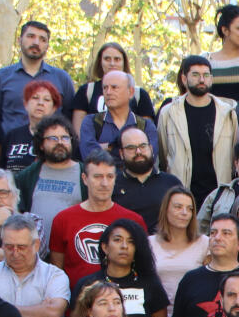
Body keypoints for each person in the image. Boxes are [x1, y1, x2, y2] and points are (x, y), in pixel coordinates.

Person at [49, 152, 146, 290]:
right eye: (98, 176)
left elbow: (143, 267)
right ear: (84, 179)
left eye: (109, 177)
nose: (104, 183)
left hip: (123, 298)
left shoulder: (133, 221)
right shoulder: (63, 220)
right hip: (77, 299)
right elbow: (57, 272)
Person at [158, 55, 239, 207]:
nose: (202, 80)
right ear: (184, 79)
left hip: (219, 195)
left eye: (206, 75)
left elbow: (234, 154)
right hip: (181, 194)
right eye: (195, 75)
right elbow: (163, 155)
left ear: (211, 78)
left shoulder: (227, 113)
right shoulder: (168, 113)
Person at [0, 21, 76, 133]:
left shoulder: (62, 78)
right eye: (31, 36)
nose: (36, 42)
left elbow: (70, 119)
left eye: (42, 39)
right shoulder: (1, 77)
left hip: (50, 142)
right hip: (11, 143)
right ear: (19, 40)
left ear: (47, 46)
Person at [13, 113, 80, 248]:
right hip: (36, 253)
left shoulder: (85, 174)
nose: (60, 142)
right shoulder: (28, 175)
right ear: (41, 144)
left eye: (65, 137)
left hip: (72, 250)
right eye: (53, 138)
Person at [69, 42, 155, 135]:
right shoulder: (86, 91)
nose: (112, 63)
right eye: (107, 59)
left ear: (124, 62)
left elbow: (148, 134)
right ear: (100, 62)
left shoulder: (139, 95)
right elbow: (78, 133)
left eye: (117, 59)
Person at [112, 126, 182, 233]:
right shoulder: (112, 185)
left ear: (151, 148)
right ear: (121, 154)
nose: (138, 152)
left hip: (164, 242)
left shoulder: (171, 183)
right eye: (131, 148)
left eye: (143, 146)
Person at [78, 70, 159, 160]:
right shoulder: (91, 122)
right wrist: (124, 149)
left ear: (131, 92)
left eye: (114, 87)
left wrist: (107, 147)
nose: (108, 92)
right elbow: (89, 157)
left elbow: (148, 158)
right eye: (105, 88)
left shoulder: (146, 126)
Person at [149, 186, 209, 307]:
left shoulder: (205, 243)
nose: (184, 213)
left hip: (192, 312)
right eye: (178, 207)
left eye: (189, 209)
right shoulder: (149, 243)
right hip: (158, 313)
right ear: (166, 209)